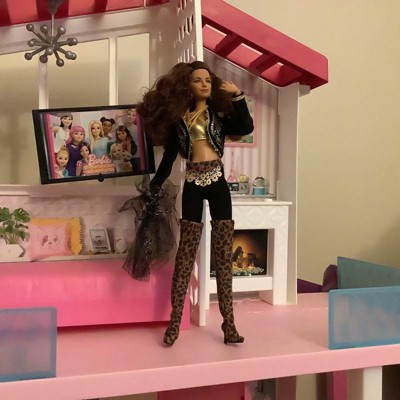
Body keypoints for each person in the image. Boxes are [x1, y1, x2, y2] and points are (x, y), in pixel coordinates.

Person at [128, 61, 253, 346]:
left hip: (217, 181)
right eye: (198, 80)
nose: (204, 84)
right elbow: (169, 158)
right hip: (193, 183)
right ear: (187, 85)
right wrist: (155, 186)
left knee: (223, 253)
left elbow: (246, 126)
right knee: (186, 253)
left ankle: (229, 325)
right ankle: (174, 322)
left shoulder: (218, 116)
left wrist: (238, 96)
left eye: (207, 80)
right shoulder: (180, 121)